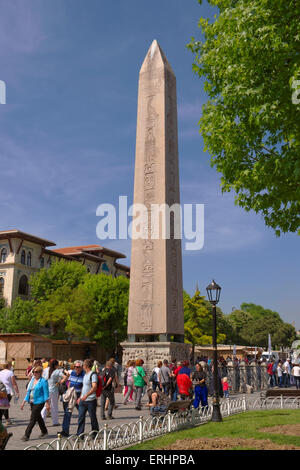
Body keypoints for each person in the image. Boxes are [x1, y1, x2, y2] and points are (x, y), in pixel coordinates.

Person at [20, 366, 50, 441]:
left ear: (40, 373)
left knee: (33, 418)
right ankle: (44, 431)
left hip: (40, 402)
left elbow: (46, 394)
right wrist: (23, 402)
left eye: (36, 372)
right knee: (38, 417)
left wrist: (47, 403)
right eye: (33, 372)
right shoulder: (32, 380)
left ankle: (27, 435)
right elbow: (28, 391)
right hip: (32, 402)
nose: (34, 373)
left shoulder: (43, 381)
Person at [60, 360, 85, 437]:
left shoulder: (84, 375)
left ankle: (80, 434)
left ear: (81, 367)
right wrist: (69, 390)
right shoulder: (73, 373)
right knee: (67, 413)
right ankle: (65, 431)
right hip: (72, 394)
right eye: (75, 367)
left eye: (78, 367)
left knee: (81, 415)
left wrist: (80, 397)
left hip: (79, 395)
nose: (76, 368)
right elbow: (70, 382)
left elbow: (84, 387)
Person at [76, 359, 99, 437]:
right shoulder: (85, 375)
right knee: (81, 417)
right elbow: (84, 387)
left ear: (85, 366)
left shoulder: (93, 374)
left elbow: (94, 387)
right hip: (83, 400)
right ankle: (80, 435)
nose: (82, 367)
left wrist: (87, 395)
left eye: (83, 365)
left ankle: (95, 433)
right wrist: (80, 397)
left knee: (93, 417)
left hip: (91, 400)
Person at [41, 359, 67, 426]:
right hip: (54, 390)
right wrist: (60, 382)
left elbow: (42, 378)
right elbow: (65, 377)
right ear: (56, 365)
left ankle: (42, 420)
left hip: (46, 389)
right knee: (54, 406)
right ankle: (55, 421)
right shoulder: (56, 371)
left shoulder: (46, 369)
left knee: (45, 405)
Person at [0, 361, 19, 426]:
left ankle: (7, 420)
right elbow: (14, 383)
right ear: (8, 366)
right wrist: (17, 392)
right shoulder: (10, 373)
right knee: (4, 407)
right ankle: (6, 421)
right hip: (8, 392)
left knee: (4, 405)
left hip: (1, 391)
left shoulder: (0, 372)